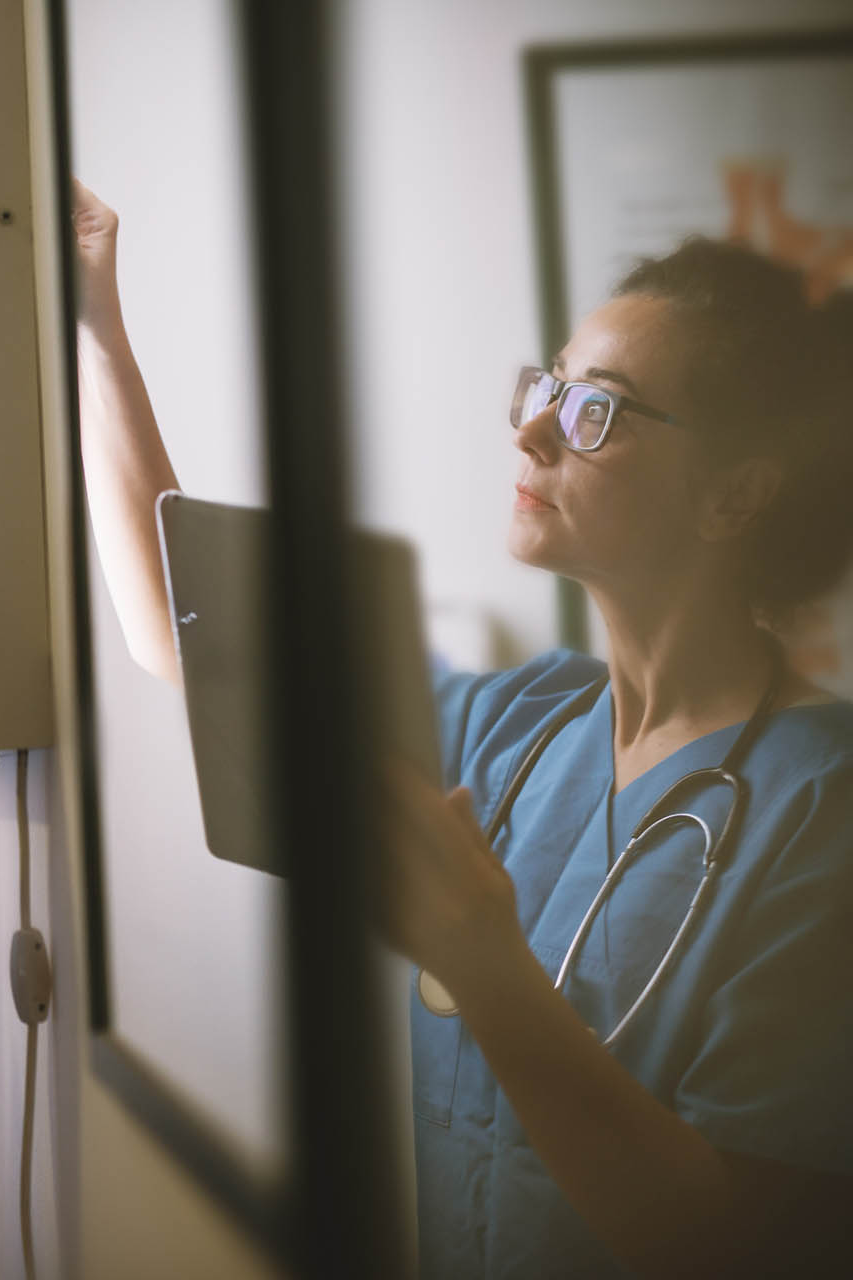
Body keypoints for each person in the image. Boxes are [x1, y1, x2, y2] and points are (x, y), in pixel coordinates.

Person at [71, 180, 853, 1277]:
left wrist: (487, 966)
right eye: (551, 386)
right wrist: (93, 321)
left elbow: (732, 1246)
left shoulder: (826, 809)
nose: (532, 427)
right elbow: (192, 644)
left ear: (735, 494)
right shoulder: (518, 728)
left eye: (600, 409)